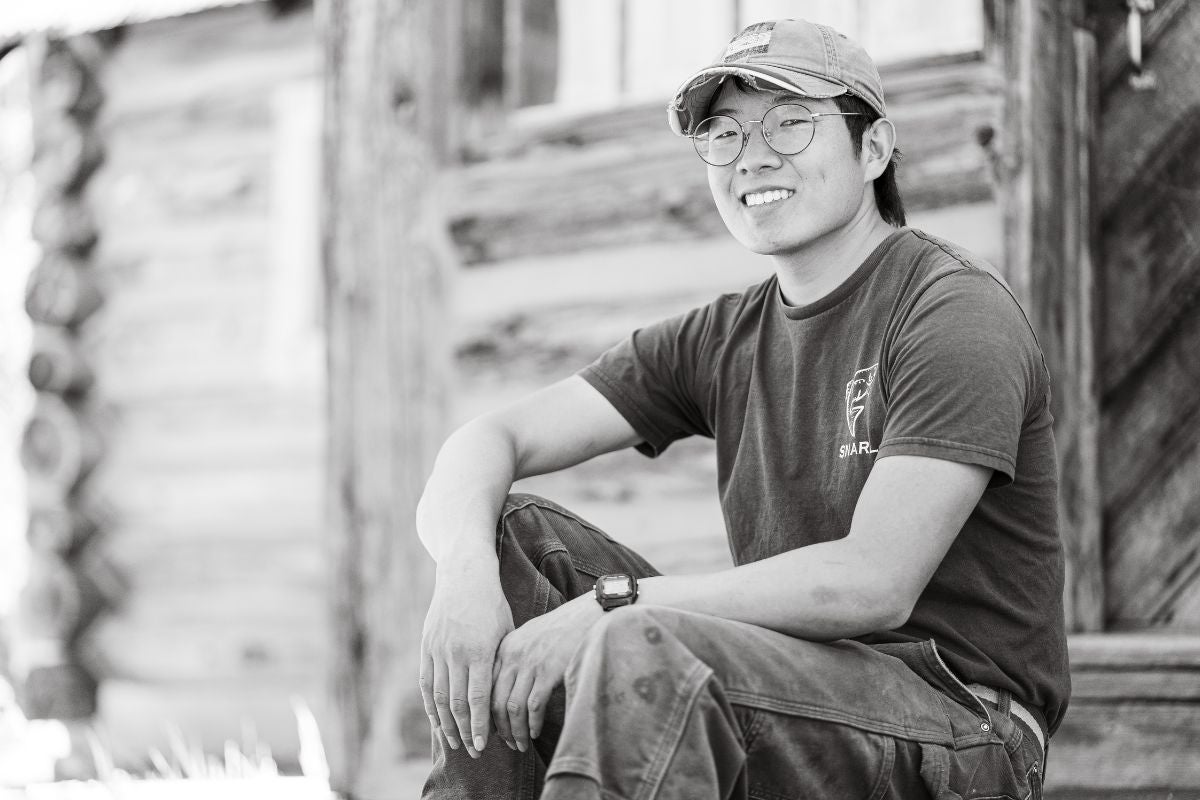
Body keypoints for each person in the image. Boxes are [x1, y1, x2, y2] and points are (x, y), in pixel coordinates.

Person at [418, 18, 1068, 800]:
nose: (753, 156)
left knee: (642, 644)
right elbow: (490, 438)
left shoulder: (950, 310)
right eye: (722, 133)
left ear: (873, 149)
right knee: (508, 535)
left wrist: (614, 603)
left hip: (964, 729)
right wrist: (463, 578)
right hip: (792, 688)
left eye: (791, 123)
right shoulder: (726, 335)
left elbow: (875, 581)